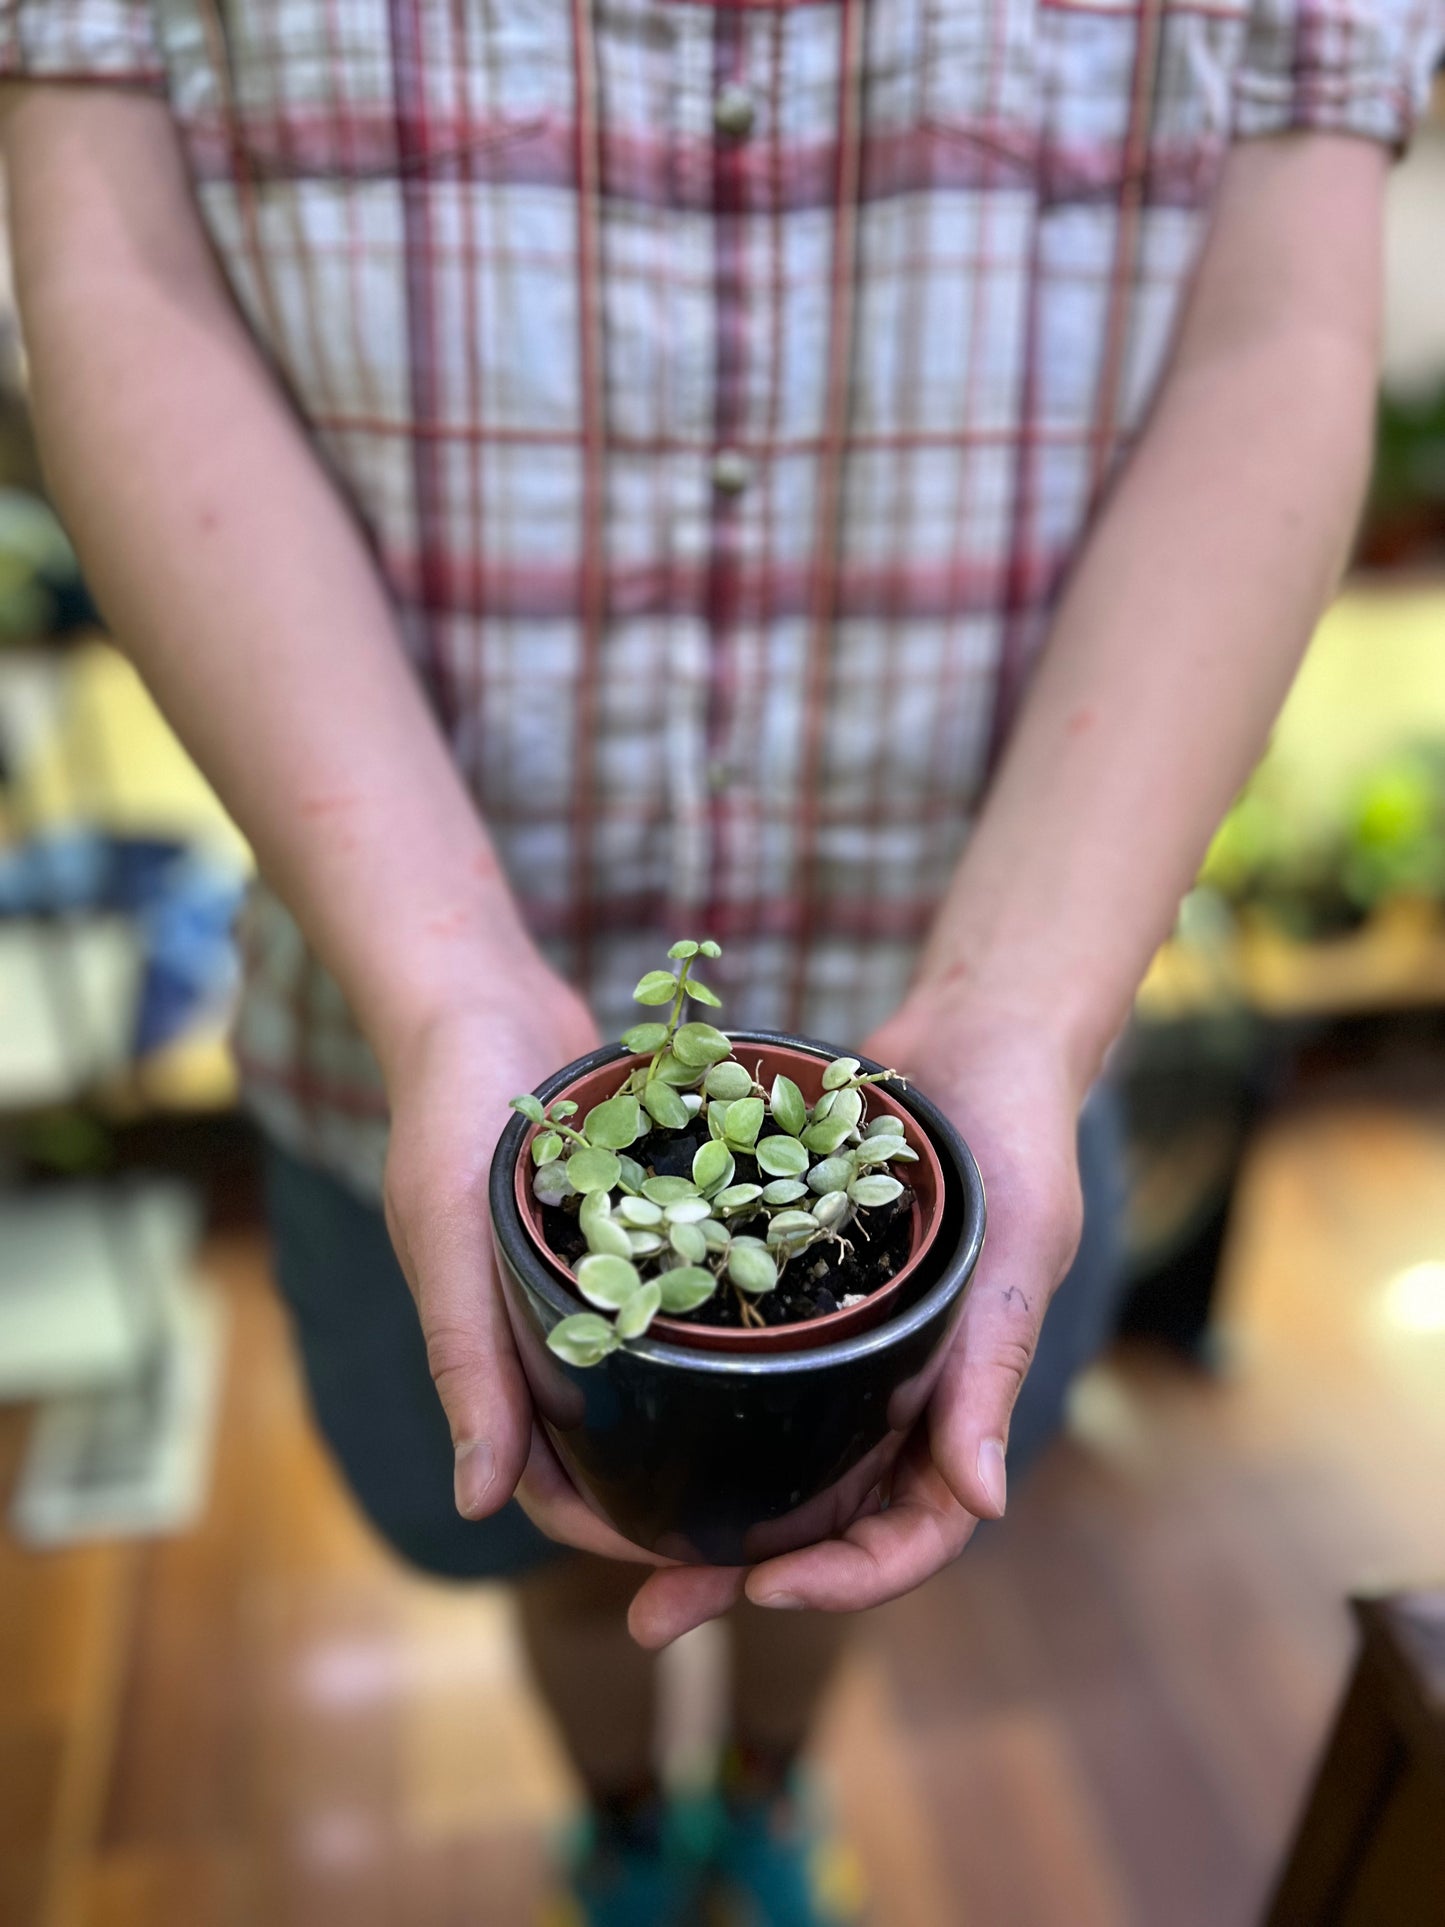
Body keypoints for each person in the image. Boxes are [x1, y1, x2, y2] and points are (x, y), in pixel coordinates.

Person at [1, 1, 1437, 1919]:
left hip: (1000, 1019)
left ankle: (759, 1798)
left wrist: (1013, 1003)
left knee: (834, 1536)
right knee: (545, 1547)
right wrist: (442, 982)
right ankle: (617, 1826)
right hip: (393, 1043)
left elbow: (1279, 326)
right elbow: (114, 274)